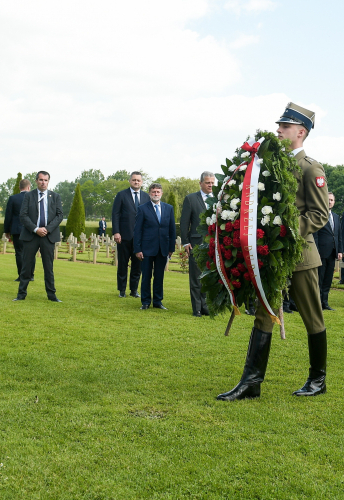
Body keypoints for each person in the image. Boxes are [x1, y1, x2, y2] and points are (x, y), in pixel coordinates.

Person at [217, 102, 330, 401]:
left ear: (301, 132)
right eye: (280, 125)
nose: (278, 130)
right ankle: (251, 383)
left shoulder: (311, 168)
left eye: (285, 126)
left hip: (301, 257)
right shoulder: (268, 165)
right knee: (264, 315)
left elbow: (319, 215)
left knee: (312, 318)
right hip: (271, 256)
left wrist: (286, 232)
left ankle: (318, 380)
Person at [13, 171, 64, 302]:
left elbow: (59, 216)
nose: (43, 182)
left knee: (48, 267)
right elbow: (23, 215)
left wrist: (47, 229)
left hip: (48, 236)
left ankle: (52, 295)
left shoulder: (55, 196)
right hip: (31, 236)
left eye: (46, 180)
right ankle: (21, 294)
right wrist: (36, 229)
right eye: (41, 180)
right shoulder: (29, 196)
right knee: (26, 266)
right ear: (36, 181)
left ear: (48, 181)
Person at [134, 183, 176, 310]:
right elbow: (137, 231)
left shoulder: (168, 208)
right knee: (146, 276)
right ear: (149, 194)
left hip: (162, 249)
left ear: (161, 194)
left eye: (158, 192)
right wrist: (138, 249)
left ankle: (158, 301)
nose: (156, 194)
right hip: (147, 249)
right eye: (153, 192)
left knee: (159, 276)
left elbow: (172, 230)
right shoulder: (142, 209)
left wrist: (171, 249)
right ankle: (145, 302)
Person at [180, 172, 215, 317]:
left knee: (208, 277)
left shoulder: (217, 199)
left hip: (213, 244)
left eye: (212, 183)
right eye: (207, 183)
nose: (210, 185)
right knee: (196, 277)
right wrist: (185, 242)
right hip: (196, 243)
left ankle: (206, 306)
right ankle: (197, 308)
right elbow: (184, 223)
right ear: (200, 183)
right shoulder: (190, 199)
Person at [111, 172, 150, 298]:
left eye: (138, 180)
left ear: (142, 182)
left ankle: (134, 290)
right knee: (122, 265)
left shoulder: (146, 197)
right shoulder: (121, 195)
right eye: (134, 180)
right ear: (130, 181)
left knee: (137, 266)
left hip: (140, 239)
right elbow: (115, 214)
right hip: (124, 236)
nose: (136, 182)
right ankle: (122, 290)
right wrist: (116, 232)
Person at [314, 192, 341, 311]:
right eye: (328, 199)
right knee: (319, 278)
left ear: (334, 202)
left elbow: (338, 235)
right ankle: (317, 303)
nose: (330, 202)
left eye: (332, 200)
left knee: (328, 279)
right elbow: (316, 235)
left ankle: (325, 302)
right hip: (321, 252)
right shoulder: (319, 215)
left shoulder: (335, 217)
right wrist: (317, 252)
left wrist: (340, 250)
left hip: (333, 252)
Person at [4, 178, 34, 281]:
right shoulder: (33, 198)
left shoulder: (13, 198)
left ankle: (22, 276)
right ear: (29, 187)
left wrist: (7, 231)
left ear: (19, 187)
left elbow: (8, 216)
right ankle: (30, 275)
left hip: (17, 229)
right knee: (31, 252)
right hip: (31, 229)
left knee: (19, 252)